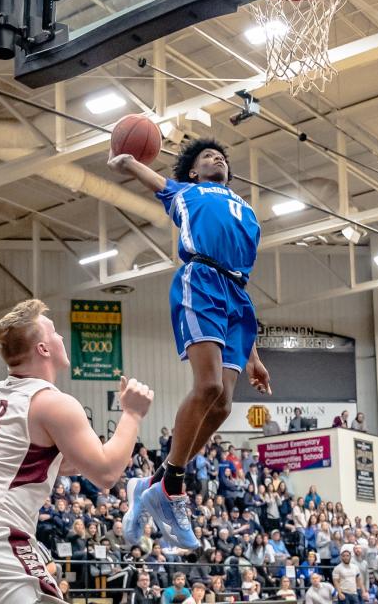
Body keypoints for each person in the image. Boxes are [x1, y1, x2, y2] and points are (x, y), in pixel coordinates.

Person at [0, 299, 154, 604]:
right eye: (55, 333)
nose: (62, 337)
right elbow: (106, 473)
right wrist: (132, 414)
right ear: (44, 349)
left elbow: (59, 464)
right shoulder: (53, 402)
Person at [108, 138, 271, 551]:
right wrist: (128, 162)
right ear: (194, 172)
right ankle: (171, 486)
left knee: (222, 404)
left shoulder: (248, 212)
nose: (219, 157)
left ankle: (151, 483)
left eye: (223, 156)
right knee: (209, 386)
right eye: (207, 157)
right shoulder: (188, 191)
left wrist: (253, 355)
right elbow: (157, 181)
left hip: (238, 296)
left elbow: (244, 272)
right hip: (201, 281)